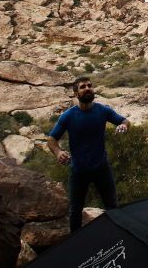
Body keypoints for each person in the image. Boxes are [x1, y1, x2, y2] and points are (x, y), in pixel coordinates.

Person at [47, 77, 131, 232]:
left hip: (101, 168)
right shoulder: (68, 116)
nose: (87, 88)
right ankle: (75, 242)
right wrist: (58, 152)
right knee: (75, 210)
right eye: (82, 87)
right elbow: (52, 139)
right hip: (78, 170)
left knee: (112, 206)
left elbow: (124, 121)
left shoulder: (103, 110)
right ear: (76, 93)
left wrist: (123, 126)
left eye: (90, 86)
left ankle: (119, 235)